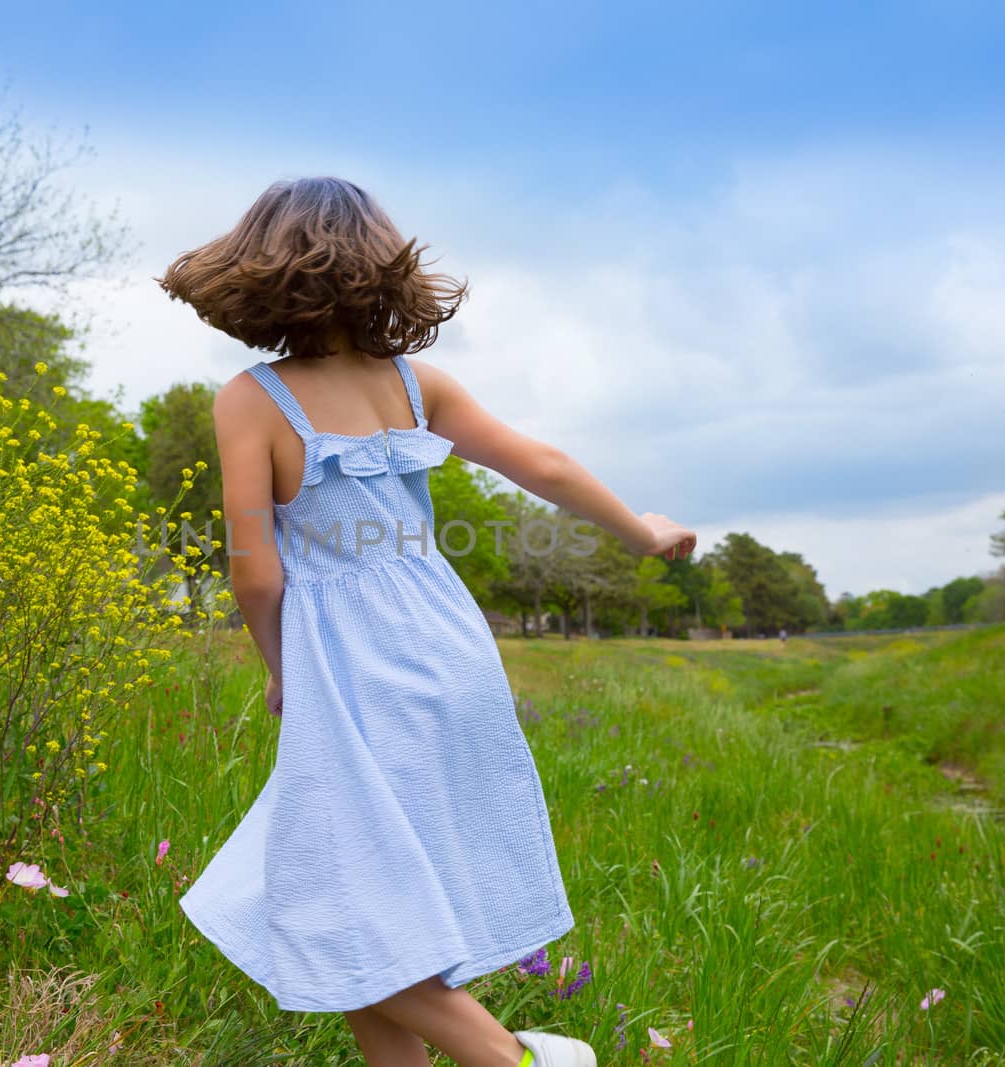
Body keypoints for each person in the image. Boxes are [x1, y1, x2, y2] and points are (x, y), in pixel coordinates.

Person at [161, 177, 696, 1067]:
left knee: (333, 903)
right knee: (370, 898)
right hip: (450, 650)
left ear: (257, 272)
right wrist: (643, 531)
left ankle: (518, 1060)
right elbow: (548, 465)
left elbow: (255, 573)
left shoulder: (252, 399)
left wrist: (279, 667)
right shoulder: (418, 384)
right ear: (384, 268)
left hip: (351, 670)